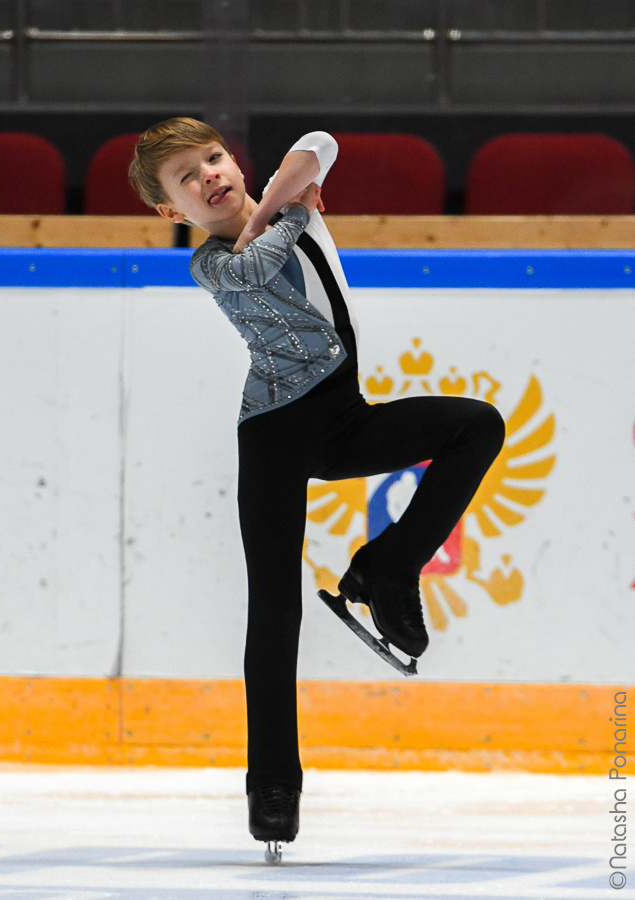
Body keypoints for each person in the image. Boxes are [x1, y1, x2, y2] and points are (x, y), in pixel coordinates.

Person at [128, 119, 506, 848]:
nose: (208, 174)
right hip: (273, 433)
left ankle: (388, 568)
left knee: (476, 425)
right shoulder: (210, 263)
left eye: (211, 158)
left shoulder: (275, 199)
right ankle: (273, 785)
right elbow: (256, 263)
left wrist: (290, 187)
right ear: (174, 213)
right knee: (274, 612)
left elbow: (320, 140)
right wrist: (291, 202)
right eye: (186, 179)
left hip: (342, 418)